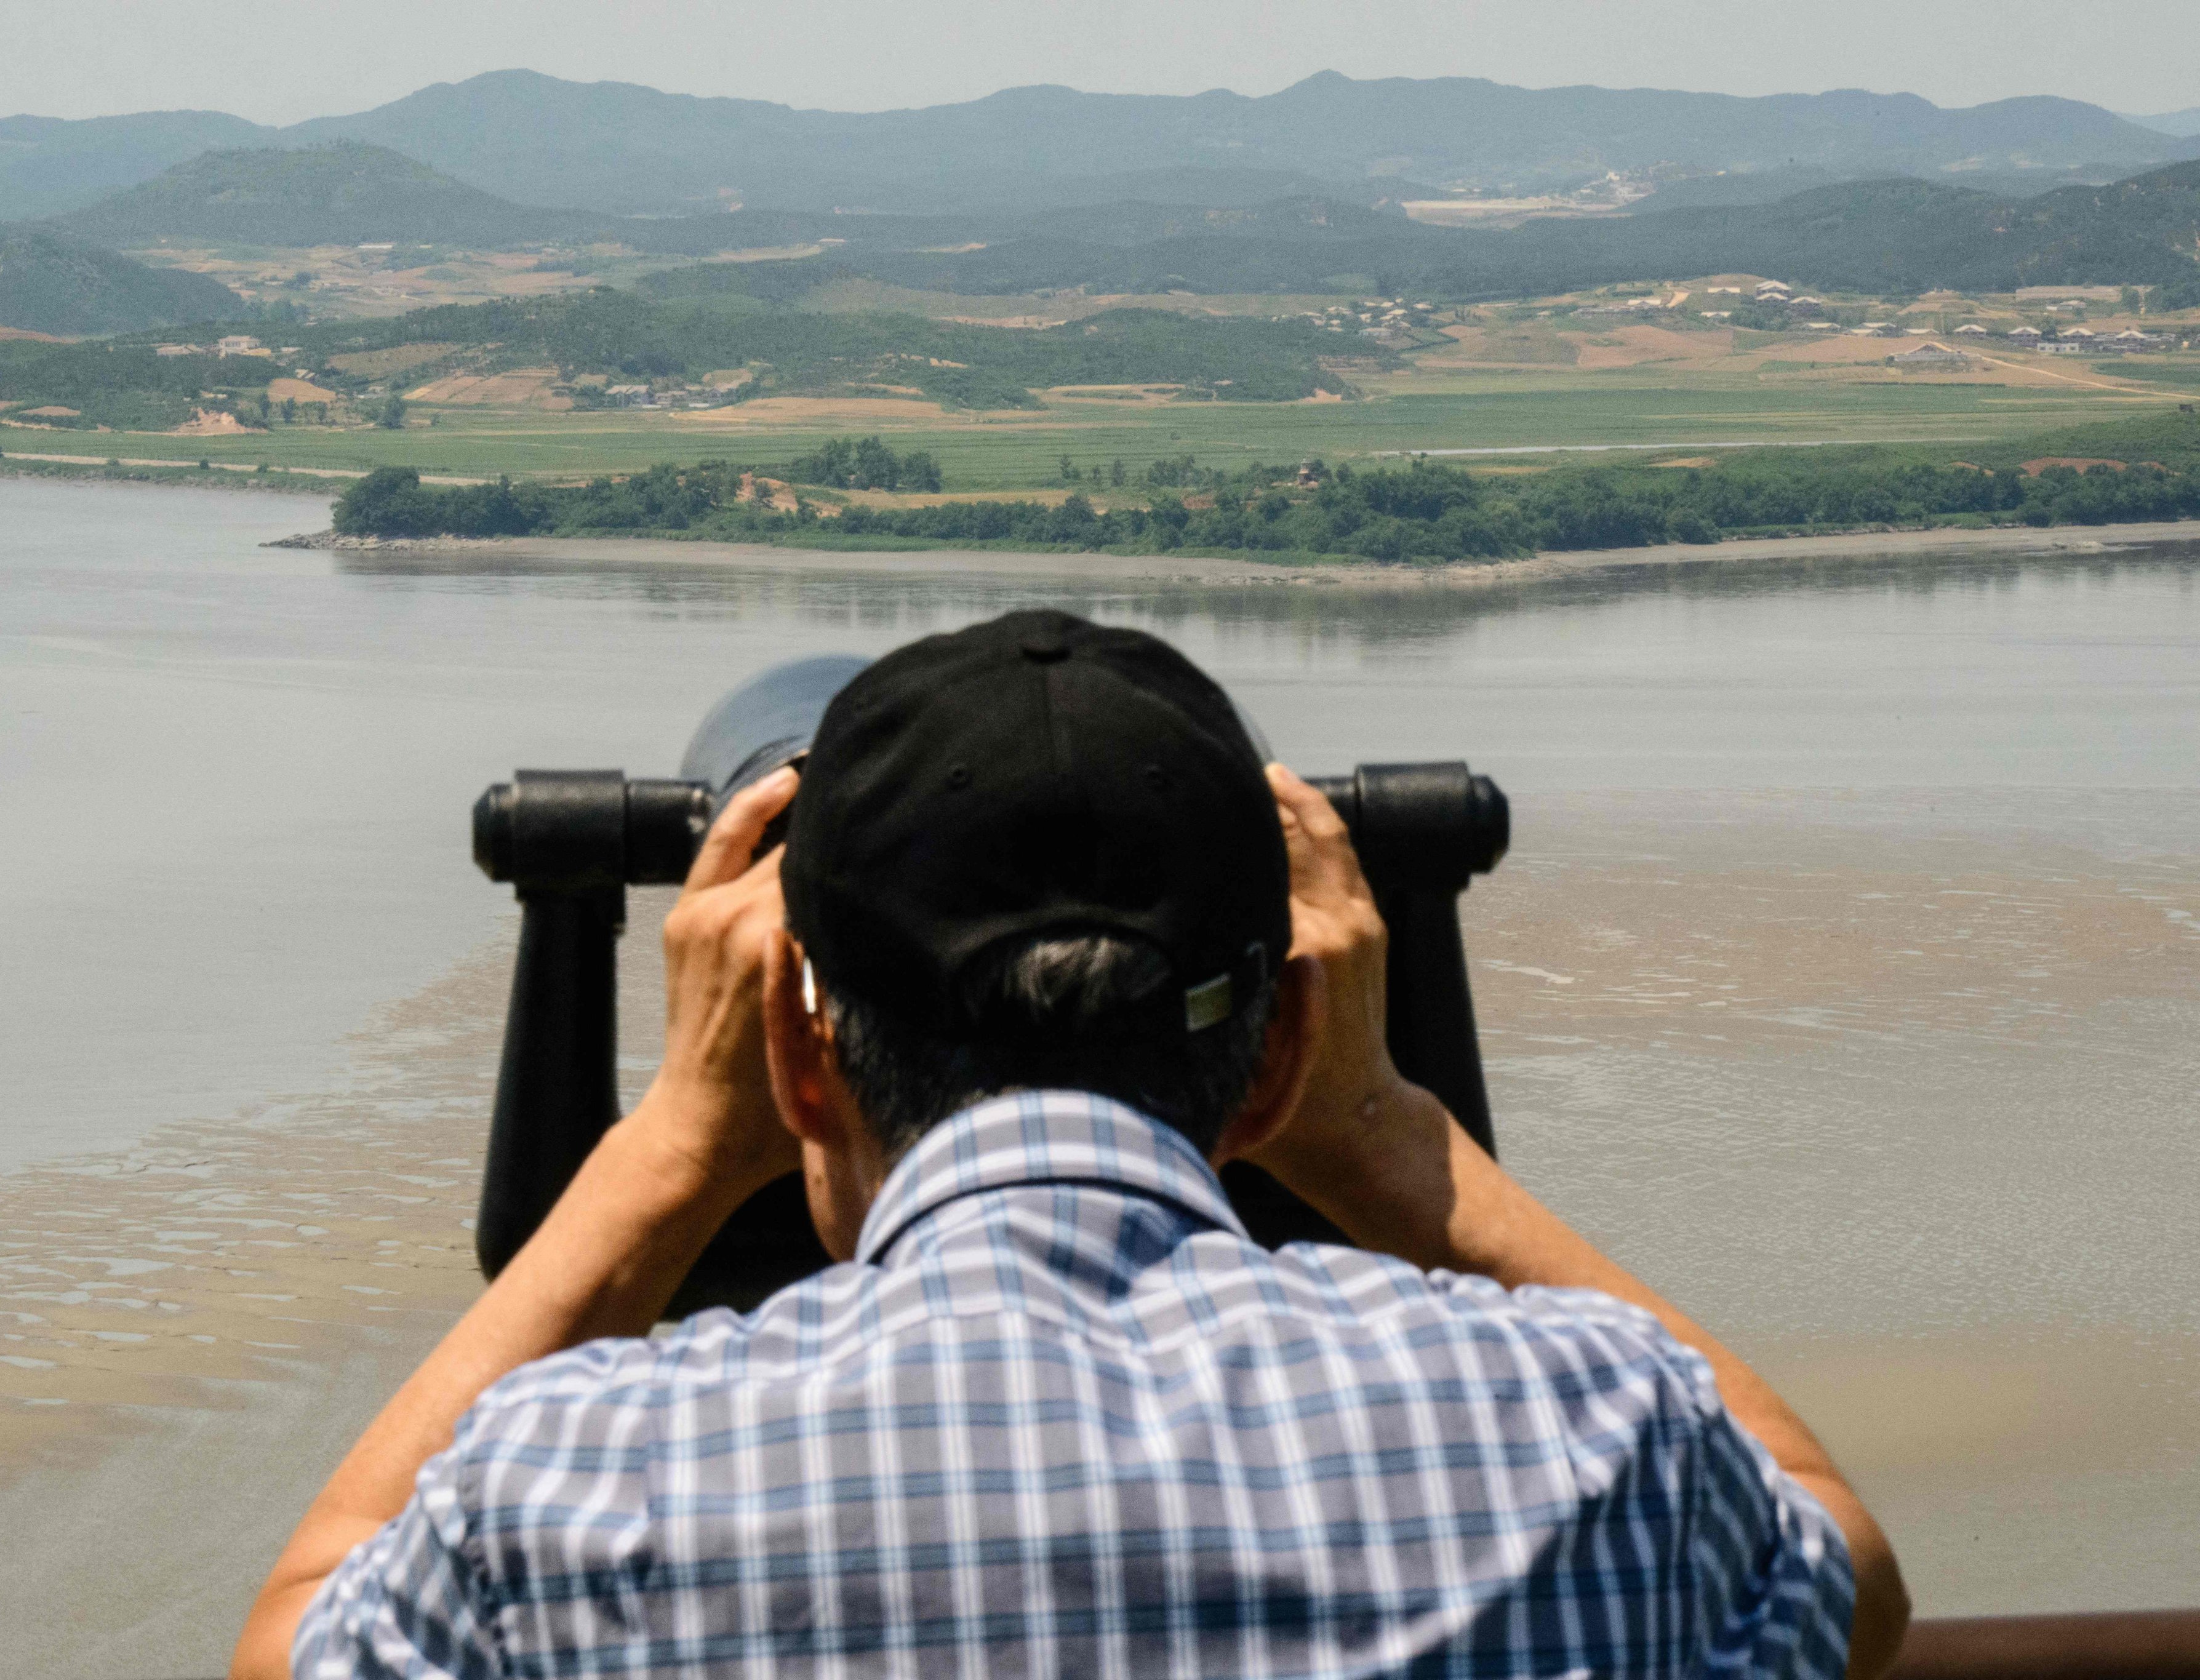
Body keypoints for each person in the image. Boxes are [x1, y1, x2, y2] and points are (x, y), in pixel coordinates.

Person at [236, 609, 1908, 1680]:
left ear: (798, 1052)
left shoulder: (579, 1494)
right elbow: (1842, 1554)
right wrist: (1391, 1137)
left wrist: (671, 1145)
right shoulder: (1583, 1437)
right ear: (1282, 1046)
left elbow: (295, 1645)